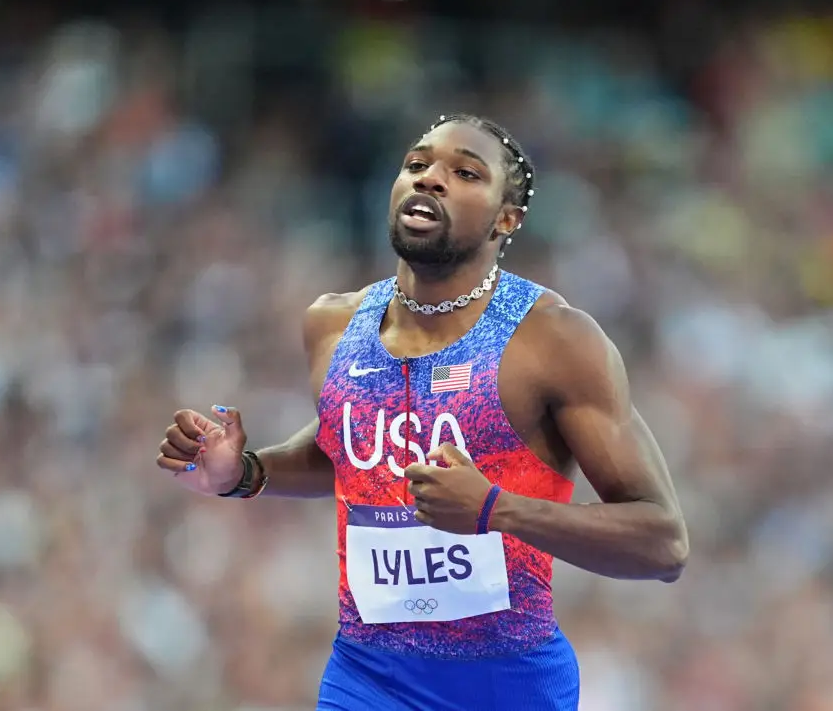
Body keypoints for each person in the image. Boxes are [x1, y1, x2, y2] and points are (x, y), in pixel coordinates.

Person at [156, 113, 689, 710]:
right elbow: (354, 456)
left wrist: (494, 509)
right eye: (417, 165)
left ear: (505, 218)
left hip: (508, 686)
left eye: (464, 172)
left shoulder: (553, 341)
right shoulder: (334, 323)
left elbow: (662, 543)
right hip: (366, 677)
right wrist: (246, 474)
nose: (430, 179)